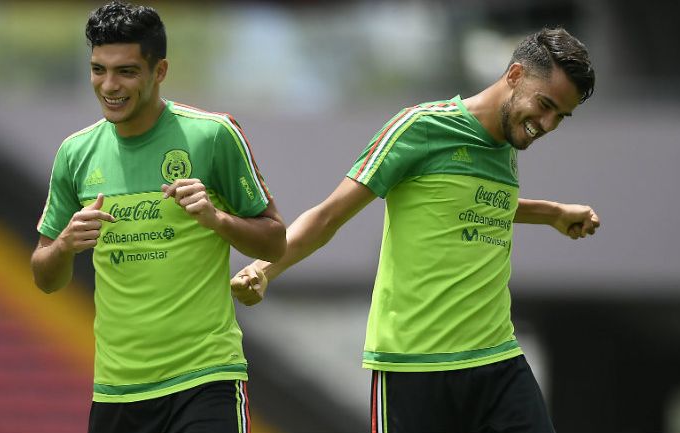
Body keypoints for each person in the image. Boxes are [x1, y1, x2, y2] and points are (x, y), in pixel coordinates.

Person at [232, 27, 598, 432]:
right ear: (514, 75)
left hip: (495, 359)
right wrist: (265, 268)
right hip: (413, 365)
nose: (546, 124)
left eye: (560, 116)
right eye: (544, 105)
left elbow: (470, 203)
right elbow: (328, 216)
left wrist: (552, 213)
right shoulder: (420, 127)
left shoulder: (509, 144)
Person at [30, 2, 286, 432]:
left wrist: (218, 220)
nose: (109, 85)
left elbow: (274, 240)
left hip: (207, 379)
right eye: (98, 69)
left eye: (126, 71)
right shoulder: (75, 154)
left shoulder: (213, 135)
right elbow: (45, 277)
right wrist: (64, 246)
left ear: (159, 71)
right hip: (117, 391)